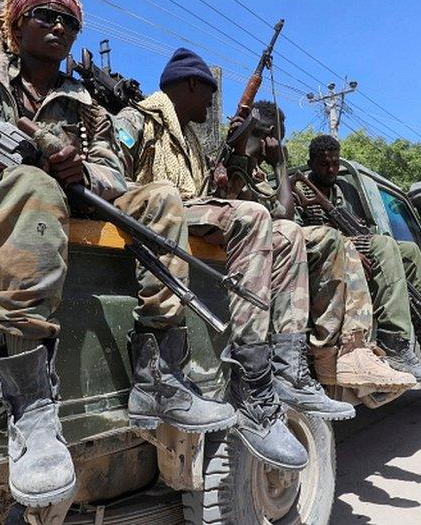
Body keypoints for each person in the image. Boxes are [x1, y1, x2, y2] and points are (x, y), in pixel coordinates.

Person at [0, 0, 236, 508]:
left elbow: (116, 172)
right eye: (45, 15)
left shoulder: (87, 105)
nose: (58, 27)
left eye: (69, 22)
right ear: (16, 25)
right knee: (31, 181)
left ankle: (159, 375)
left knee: (161, 197)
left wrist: (83, 169)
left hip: (75, 206)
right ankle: (32, 409)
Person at [113, 48, 309, 471]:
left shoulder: (192, 142)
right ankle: (250, 389)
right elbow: (110, 180)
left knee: (289, 232)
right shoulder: (137, 120)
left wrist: (227, 175)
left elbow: (211, 201)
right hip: (153, 217)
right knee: (253, 214)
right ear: (189, 85)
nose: (210, 104)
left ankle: (281, 370)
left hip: (187, 220)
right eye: (208, 94)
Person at [242, 101, 416, 403]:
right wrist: (281, 166)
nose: (332, 169)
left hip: (284, 248)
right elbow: (285, 218)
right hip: (269, 254)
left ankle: (369, 347)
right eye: (272, 136)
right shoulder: (257, 171)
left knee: (376, 246)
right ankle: (337, 352)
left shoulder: (330, 190)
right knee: (334, 241)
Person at [296, 135, 421, 382]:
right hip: (323, 261)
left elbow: (357, 229)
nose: (330, 170)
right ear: (311, 163)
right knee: (384, 244)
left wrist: (354, 244)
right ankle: (395, 343)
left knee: (412, 252)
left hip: (348, 248)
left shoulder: (342, 191)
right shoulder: (298, 189)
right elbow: (299, 237)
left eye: (335, 163)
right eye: (323, 164)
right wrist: (349, 251)